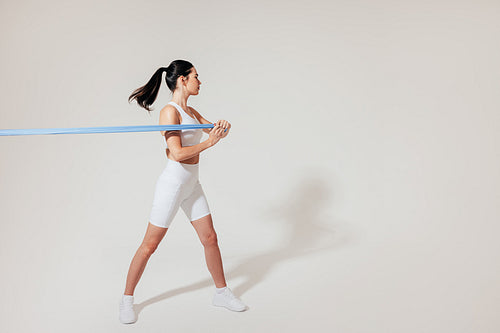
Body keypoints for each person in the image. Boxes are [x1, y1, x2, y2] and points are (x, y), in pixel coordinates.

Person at [119, 60, 247, 324]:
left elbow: (214, 130)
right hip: (173, 184)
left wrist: (222, 128)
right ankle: (127, 300)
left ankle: (221, 293)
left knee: (210, 238)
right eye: (196, 76)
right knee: (149, 245)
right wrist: (210, 142)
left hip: (192, 184)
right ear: (182, 80)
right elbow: (176, 153)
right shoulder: (170, 112)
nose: (200, 81)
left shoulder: (191, 111)